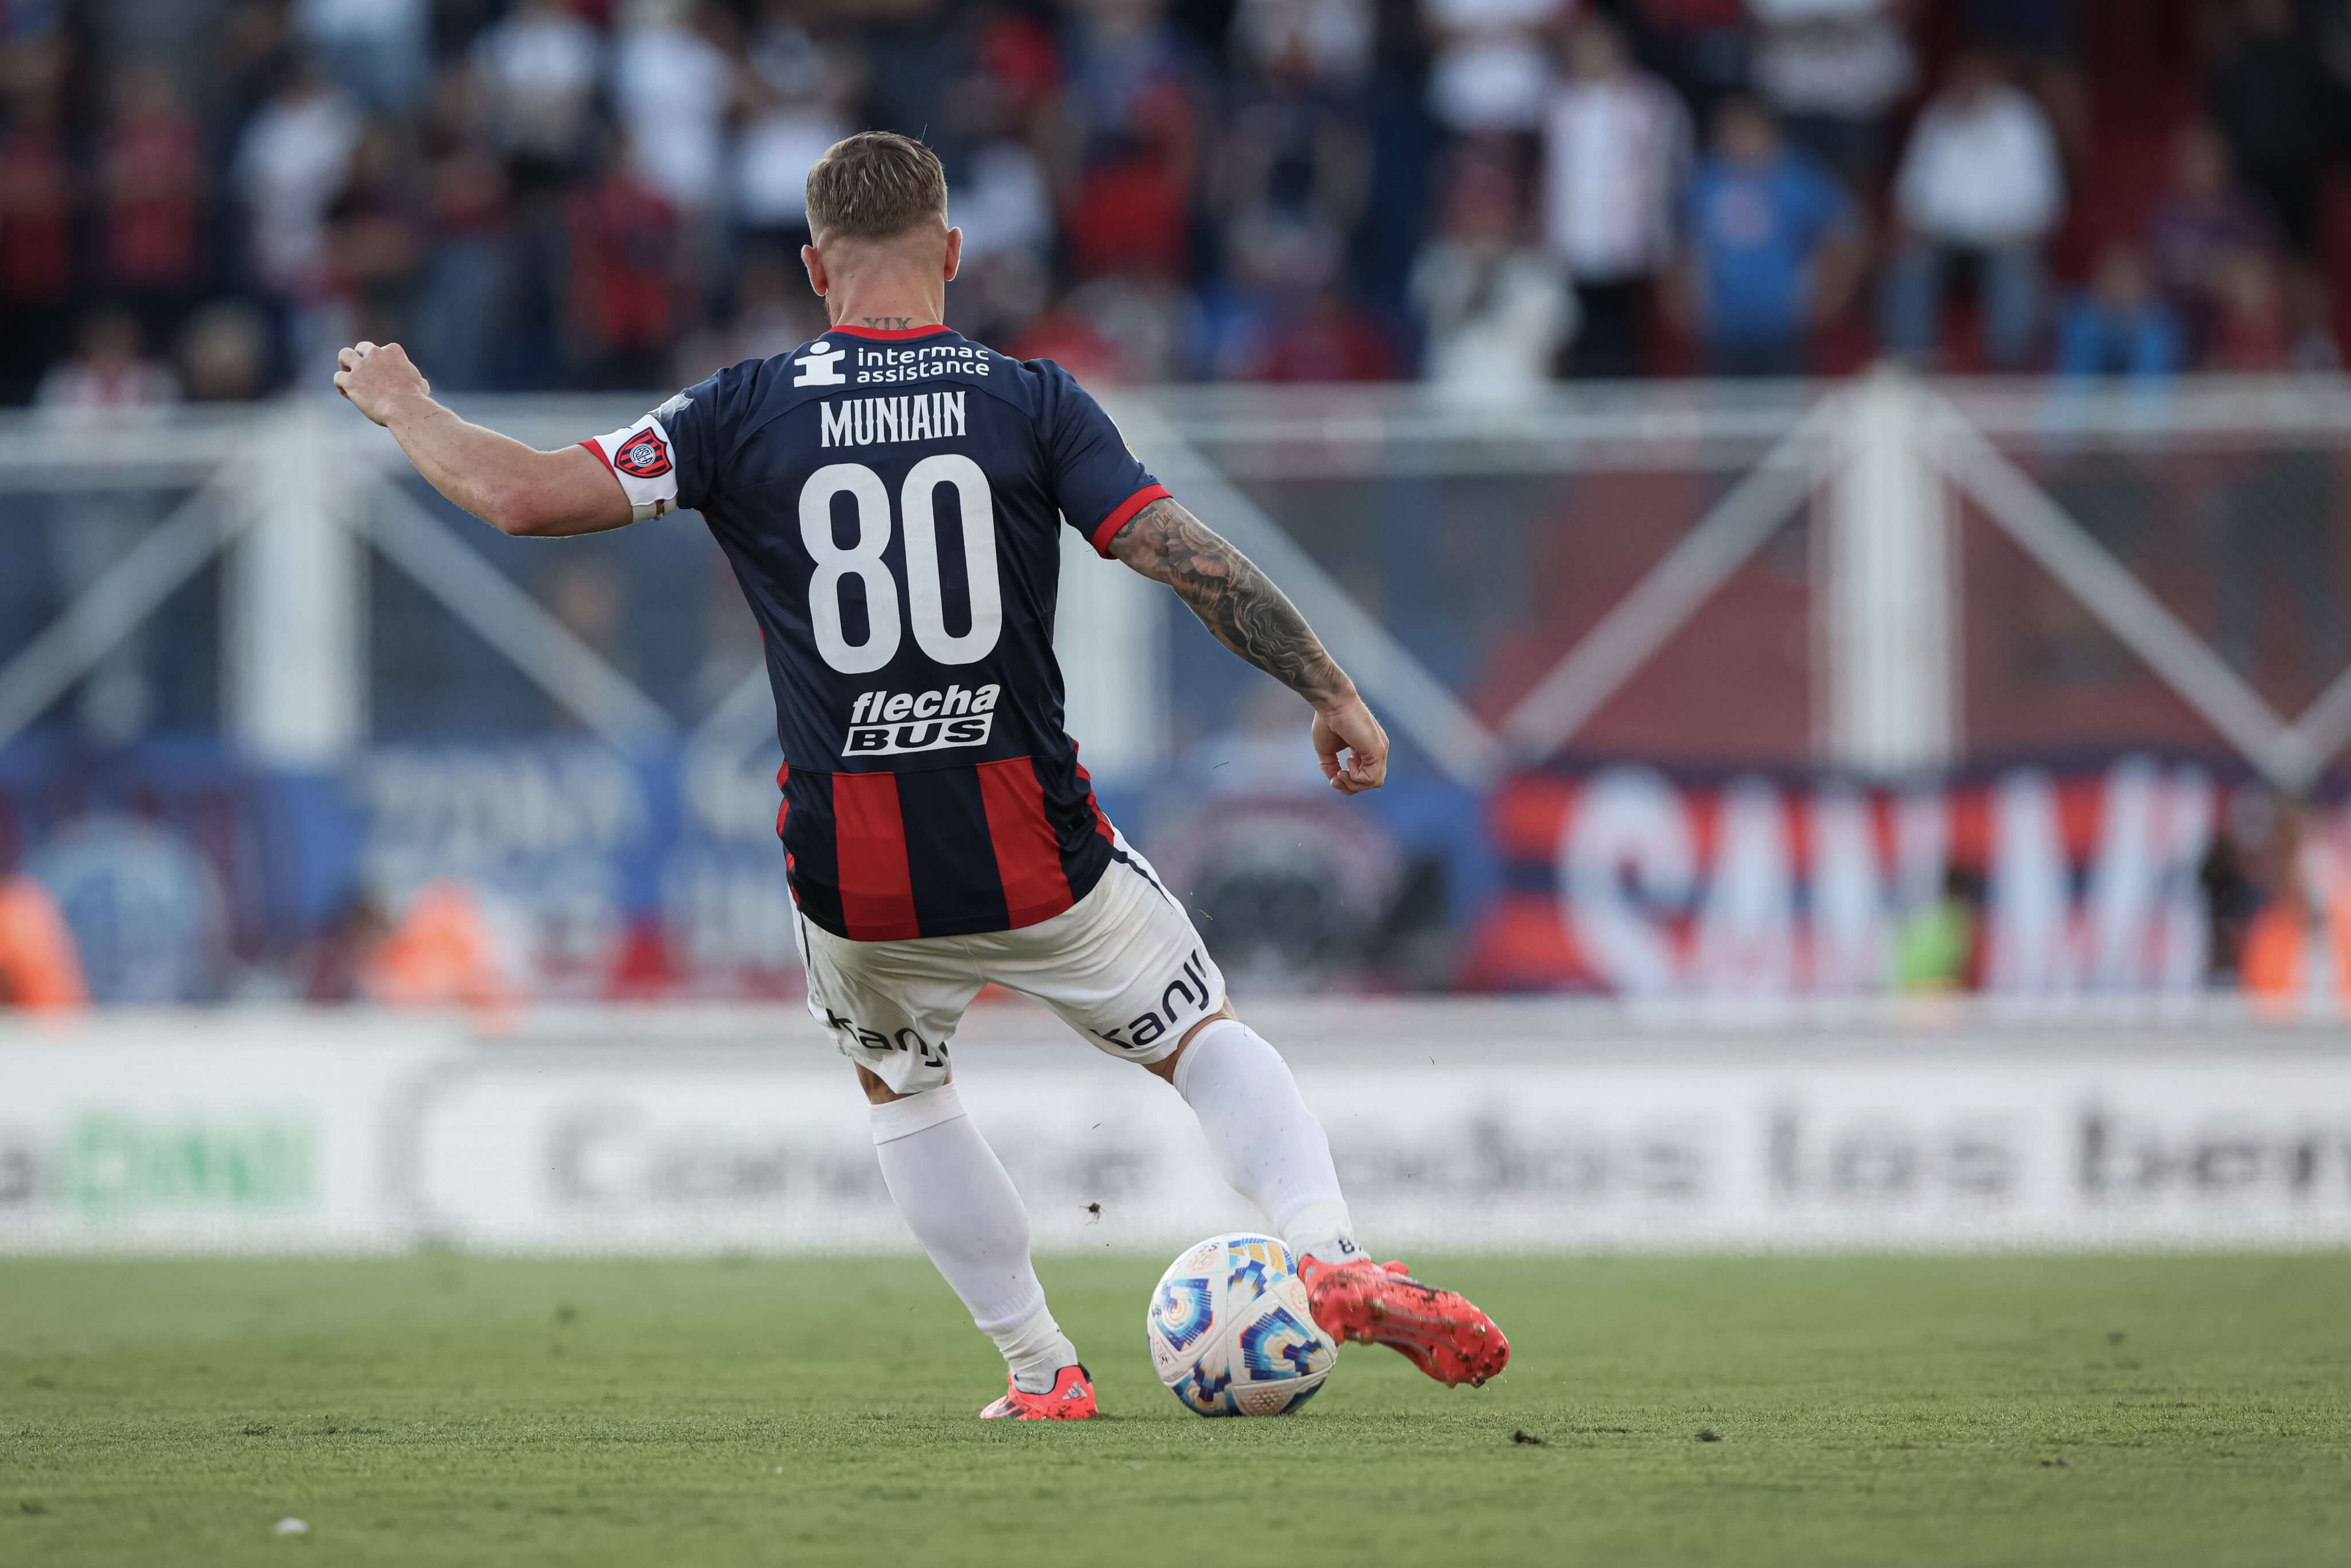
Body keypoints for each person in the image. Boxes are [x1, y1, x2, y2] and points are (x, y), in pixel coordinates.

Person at [331, 131, 1508, 1420]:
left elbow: (521, 499)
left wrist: (406, 405)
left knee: (902, 1086)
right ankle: (1330, 1255)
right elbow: (1180, 554)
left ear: (813, 268)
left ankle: (1040, 1370)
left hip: (853, 869)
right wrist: (1328, 688)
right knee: (1196, 1034)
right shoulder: (1031, 399)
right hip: (1030, 839)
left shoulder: (736, 408)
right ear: (949, 253)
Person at [1878, 52, 2063, 370]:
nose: (1965, 89)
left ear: (1990, 82)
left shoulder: (2022, 120)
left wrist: (2014, 230)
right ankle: (1910, 365)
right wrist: (1910, 225)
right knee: (1909, 257)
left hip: (2003, 236)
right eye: (1959, 82)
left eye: (1973, 82)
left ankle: (2009, 364)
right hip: (1942, 235)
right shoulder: (1937, 115)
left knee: (2015, 261)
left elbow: (2045, 203)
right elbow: (1909, 193)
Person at [1675, 95, 1860, 377]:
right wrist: (1682, 294)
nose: (1738, 141)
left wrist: (1831, 292)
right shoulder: (1705, 179)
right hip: (1721, 321)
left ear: (1768, 132)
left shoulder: (1800, 177)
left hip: (1784, 317)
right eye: (1729, 132)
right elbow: (1684, 242)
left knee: (1783, 404)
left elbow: (1844, 234)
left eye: (1746, 131)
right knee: (1722, 407)